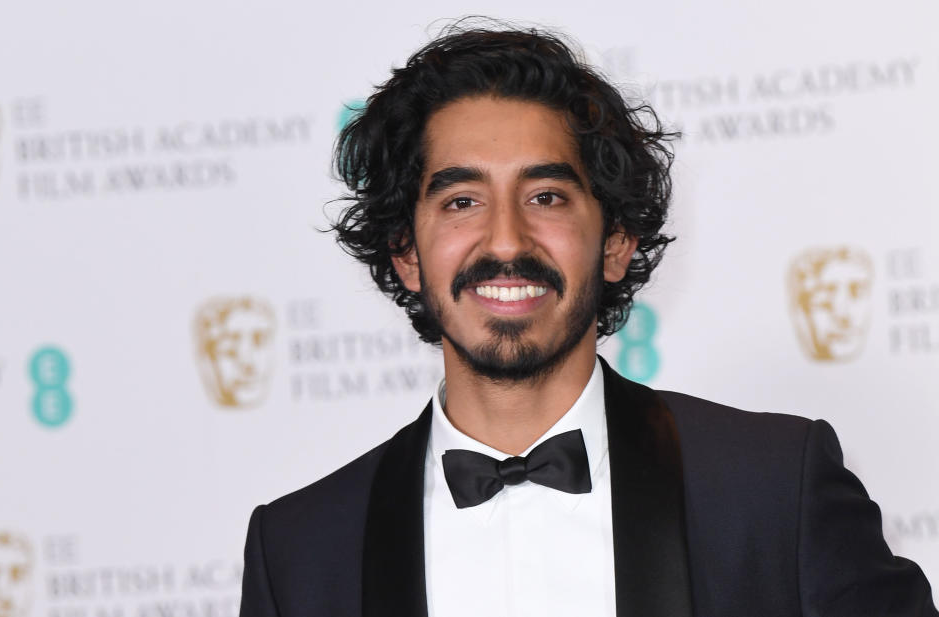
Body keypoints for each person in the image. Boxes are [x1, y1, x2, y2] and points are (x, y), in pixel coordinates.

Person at [238, 22, 937, 617]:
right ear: (406, 253)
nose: (506, 241)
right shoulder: (301, 553)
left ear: (615, 242)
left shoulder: (774, 492)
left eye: (545, 196)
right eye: (461, 202)